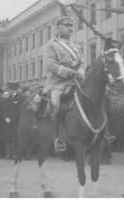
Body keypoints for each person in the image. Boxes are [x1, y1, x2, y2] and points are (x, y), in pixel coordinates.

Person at [29, 16, 86, 152]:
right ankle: (57, 138)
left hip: (75, 81)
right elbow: (51, 65)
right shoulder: (51, 44)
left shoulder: (76, 47)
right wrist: (71, 72)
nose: (70, 28)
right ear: (59, 28)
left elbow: (83, 63)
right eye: (67, 25)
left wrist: (82, 72)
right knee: (56, 103)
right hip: (57, 82)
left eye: (71, 26)